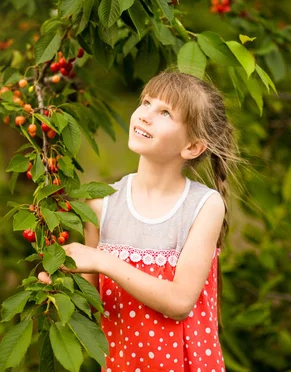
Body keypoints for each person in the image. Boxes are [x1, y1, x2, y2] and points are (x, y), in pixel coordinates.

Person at [38, 70, 241, 372]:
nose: (145, 115)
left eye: (165, 112)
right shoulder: (102, 204)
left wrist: (103, 261)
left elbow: (180, 302)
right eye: (146, 102)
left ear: (193, 147)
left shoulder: (203, 206)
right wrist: (61, 281)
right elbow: (95, 303)